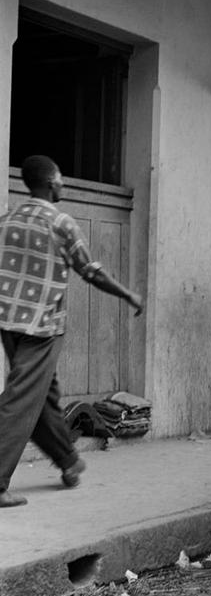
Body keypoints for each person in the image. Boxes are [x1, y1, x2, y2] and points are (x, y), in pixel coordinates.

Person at [0, 155, 143, 508]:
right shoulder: (61, 223)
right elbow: (90, 271)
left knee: (42, 397)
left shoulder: (7, 220)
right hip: (43, 327)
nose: (64, 183)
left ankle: (68, 461)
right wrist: (127, 293)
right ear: (51, 182)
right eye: (62, 178)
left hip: (8, 324)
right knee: (21, 400)